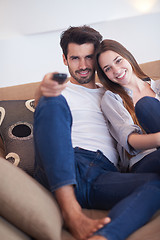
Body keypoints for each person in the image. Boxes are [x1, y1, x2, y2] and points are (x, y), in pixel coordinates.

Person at [33, 26, 160, 240]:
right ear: (65, 59)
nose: (83, 66)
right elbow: (43, 113)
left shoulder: (112, 93)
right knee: (51, 100)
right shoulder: (59, 89)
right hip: (63, 163)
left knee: (154, 185)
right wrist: (42, 90)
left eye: (89, 58)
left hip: (101, 174)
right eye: (75, 58)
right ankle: (71, 211)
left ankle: (103, 237)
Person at [96, 39, 160, 173]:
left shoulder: (158, 86)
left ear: (127, 56)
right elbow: (130, 140)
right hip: (144, 159)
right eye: (108, 68)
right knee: (145, 105)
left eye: (118, 61)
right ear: (105, 75)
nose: (116, 70)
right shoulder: (112, 98)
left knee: (148, 104)